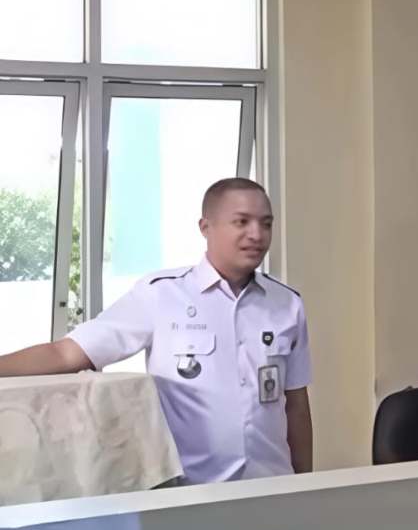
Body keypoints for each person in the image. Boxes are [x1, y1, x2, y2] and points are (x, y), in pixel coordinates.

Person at [0, 177, 313, 483]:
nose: (256, 234)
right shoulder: (162, 295)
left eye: (266, 224)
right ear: (206, 227)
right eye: (241, 222)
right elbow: (67, 353)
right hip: (191, 490)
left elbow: (296, 404)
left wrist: (305, 486)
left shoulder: (287, 303)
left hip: (272, 484)